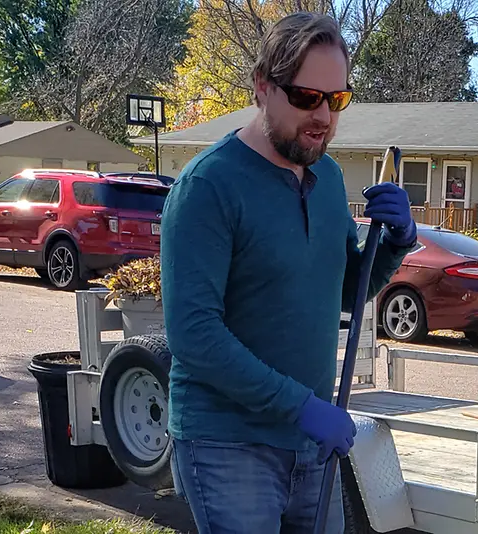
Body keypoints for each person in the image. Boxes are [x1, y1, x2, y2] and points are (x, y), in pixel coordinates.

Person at [159, 11, 417, 534]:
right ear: (262, 87)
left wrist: (394, 245)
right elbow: (194, 335)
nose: (323, 115)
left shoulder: (327, 178)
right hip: (229, 443)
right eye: (306, 97)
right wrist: (301, 407)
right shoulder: (209, 187)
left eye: (336, 100)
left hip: (311, 445)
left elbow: (345, 293)